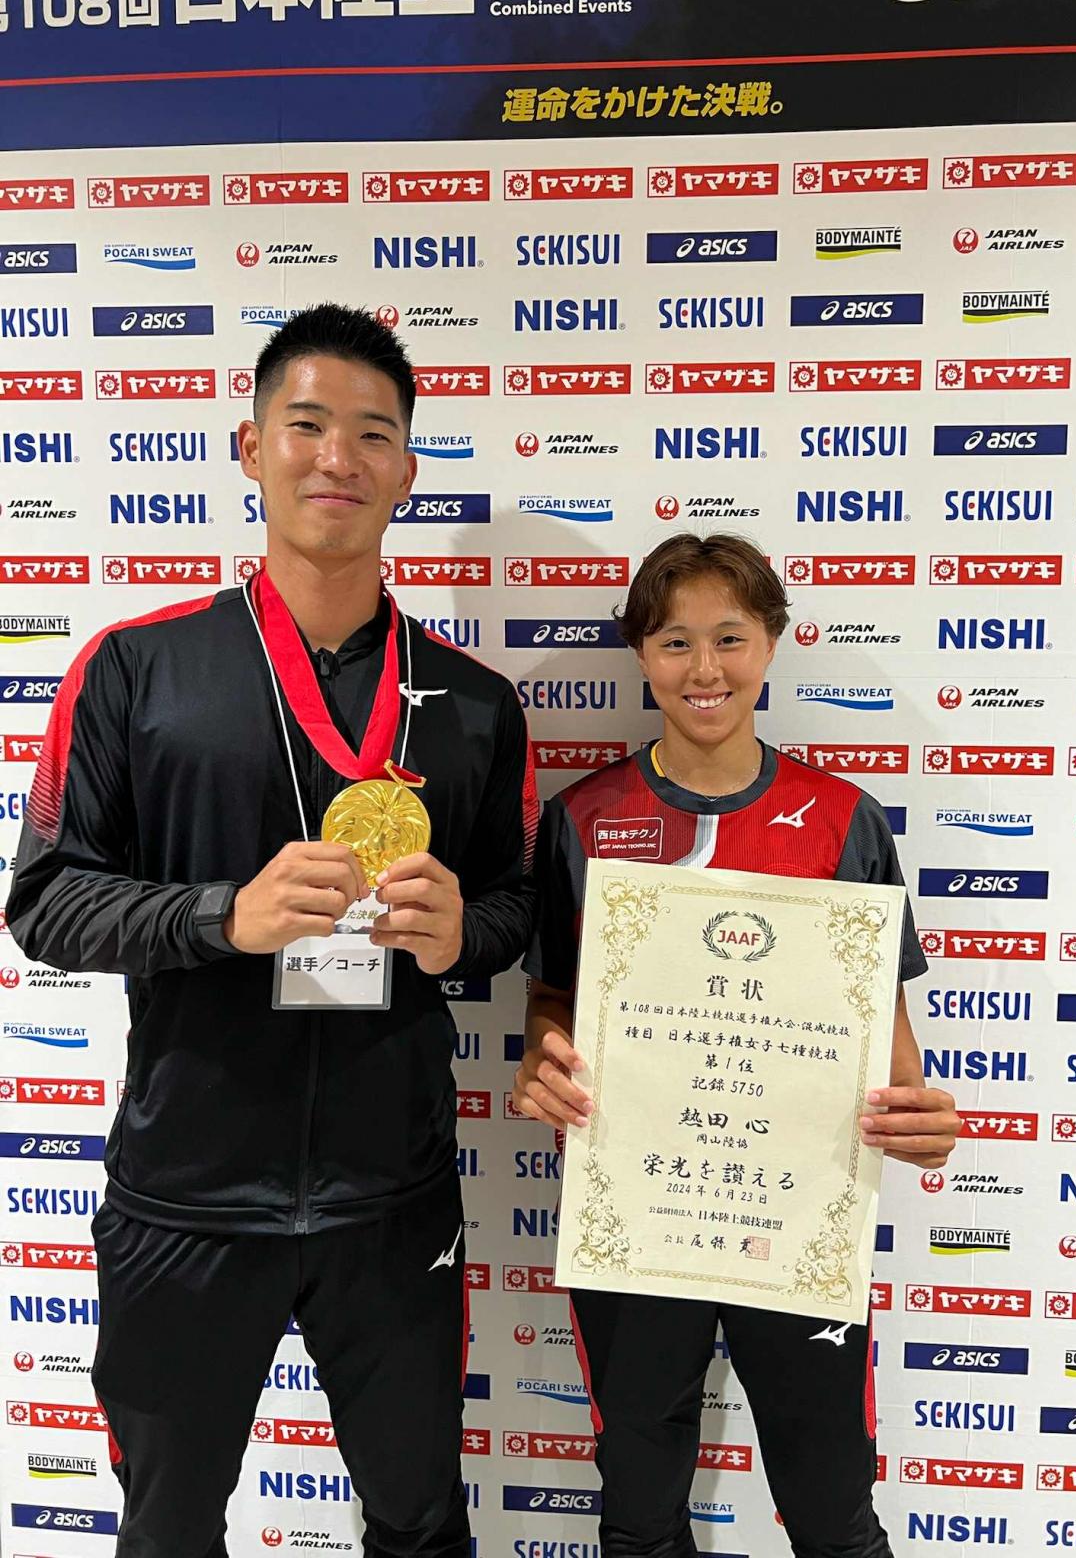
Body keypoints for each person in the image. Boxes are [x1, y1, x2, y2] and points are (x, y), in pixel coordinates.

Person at [7, 303, 537, 1558]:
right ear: (250, 448)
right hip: (185, 1197)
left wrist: (460, 936)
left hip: (392, 1200)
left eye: (372, 433)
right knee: (169, 1528)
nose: (337, 457)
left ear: (407, 469)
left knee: (421, 1526)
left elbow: (516, 909)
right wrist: (222, 916)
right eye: (306, 425)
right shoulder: (135, 669)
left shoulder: (475, 705)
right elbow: (44, 901)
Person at [512, 532, 957, 1558]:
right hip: (642, 1215)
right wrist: (543, 1060)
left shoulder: (843, 819)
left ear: (771, 644)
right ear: (641, 654)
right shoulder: (583, 819)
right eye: (675, 642)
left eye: (729, 637)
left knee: (833, 1509)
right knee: (639, 1513)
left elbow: (887, 1039)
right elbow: (552, 998)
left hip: (795, 1217)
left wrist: (922, 1117)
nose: (703, 668)